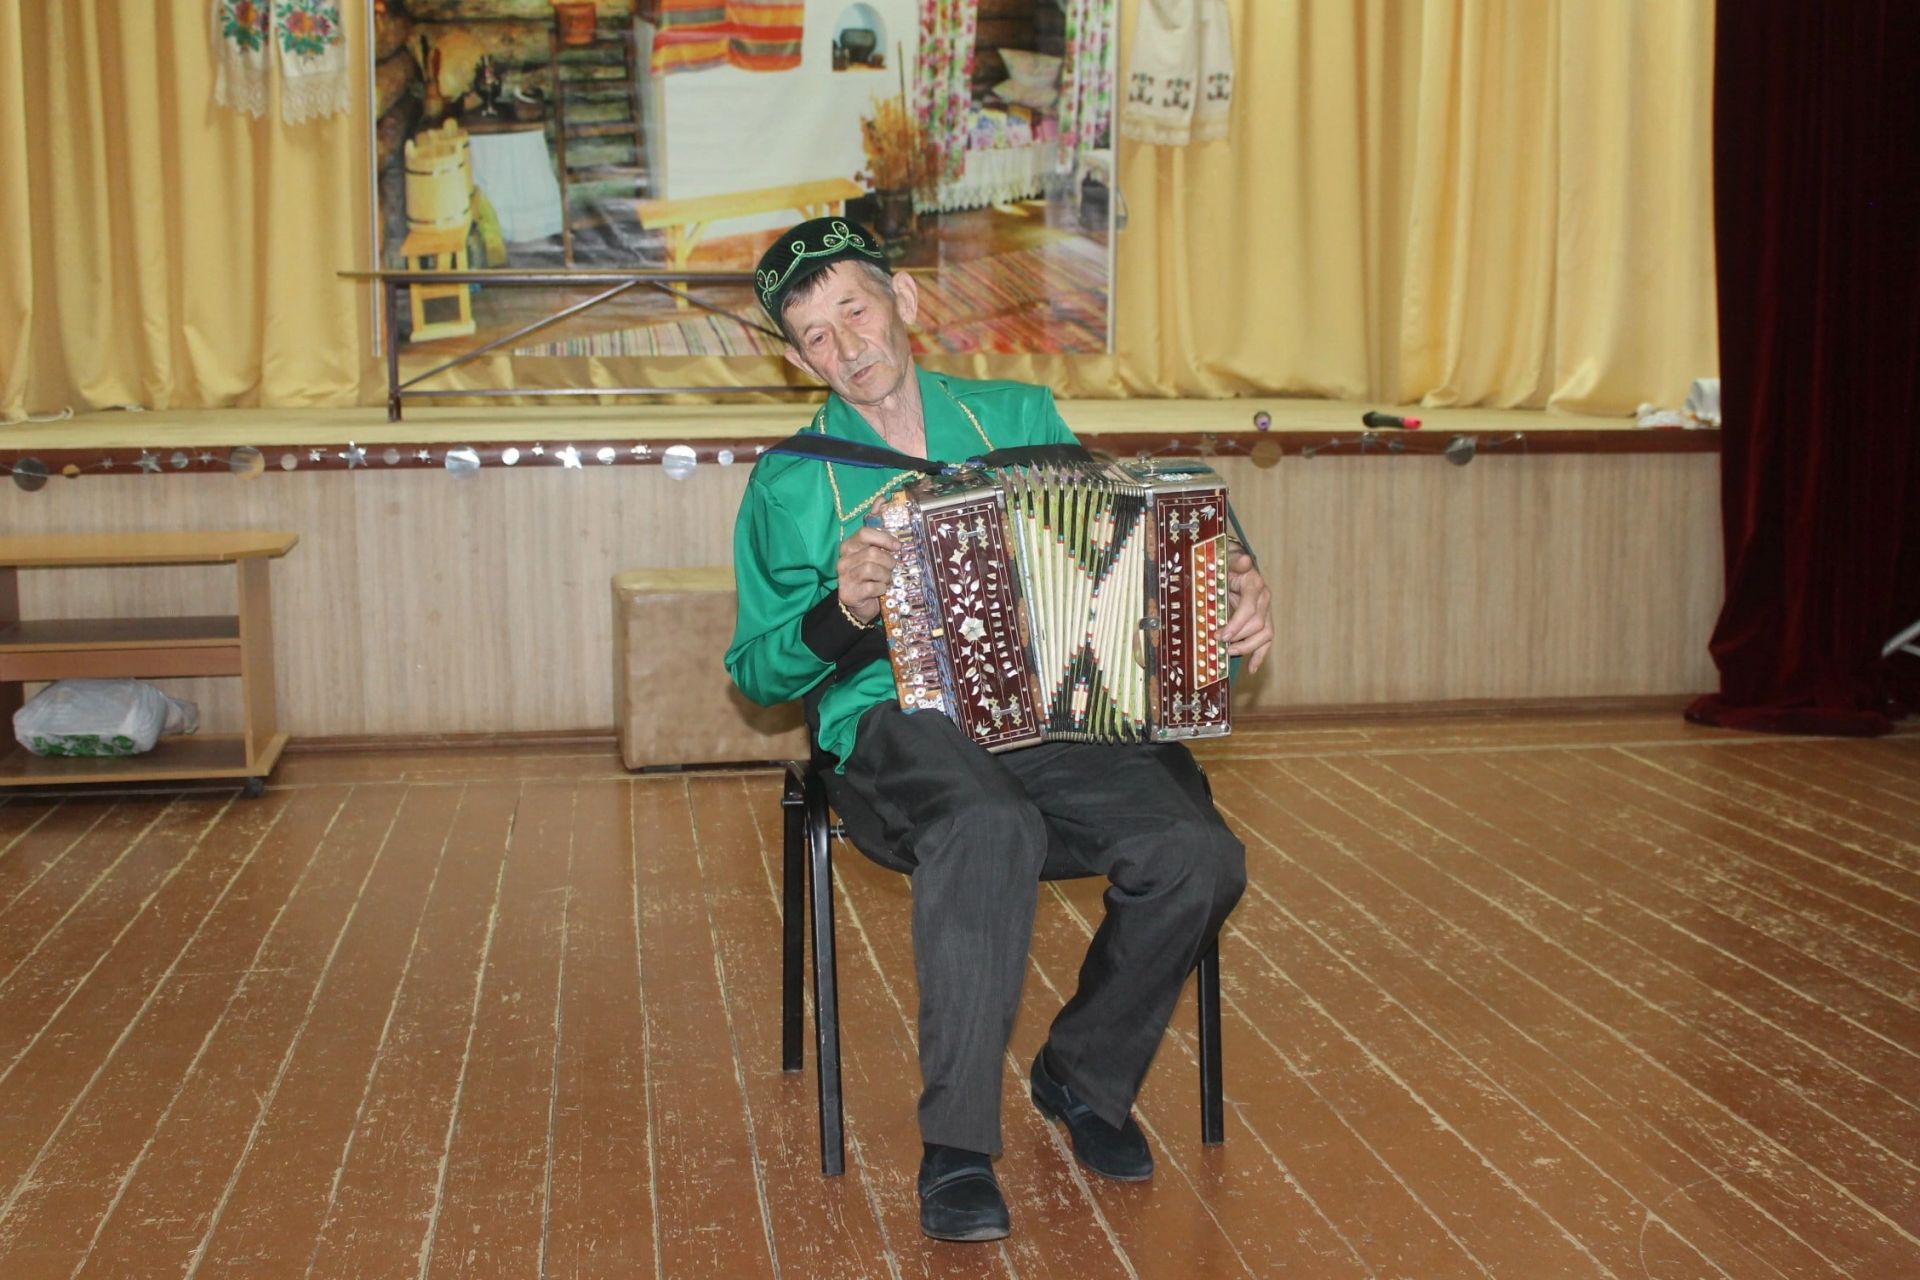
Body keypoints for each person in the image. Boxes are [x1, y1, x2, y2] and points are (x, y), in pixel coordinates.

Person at [725, 217, 1272, 1243]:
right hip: (896, 720)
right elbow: (756, 673)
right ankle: (959, 1146)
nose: (846, 346)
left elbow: (1124, 552)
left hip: (1052, 706)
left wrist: (1228, 604)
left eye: (855, 309)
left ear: (906, 305)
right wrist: (841, 610)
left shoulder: (1017, 412)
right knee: (988, 825)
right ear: (795, 357)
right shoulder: (790, 482)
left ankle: (1081, 1075)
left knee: (1197, 852)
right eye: (813, 335)